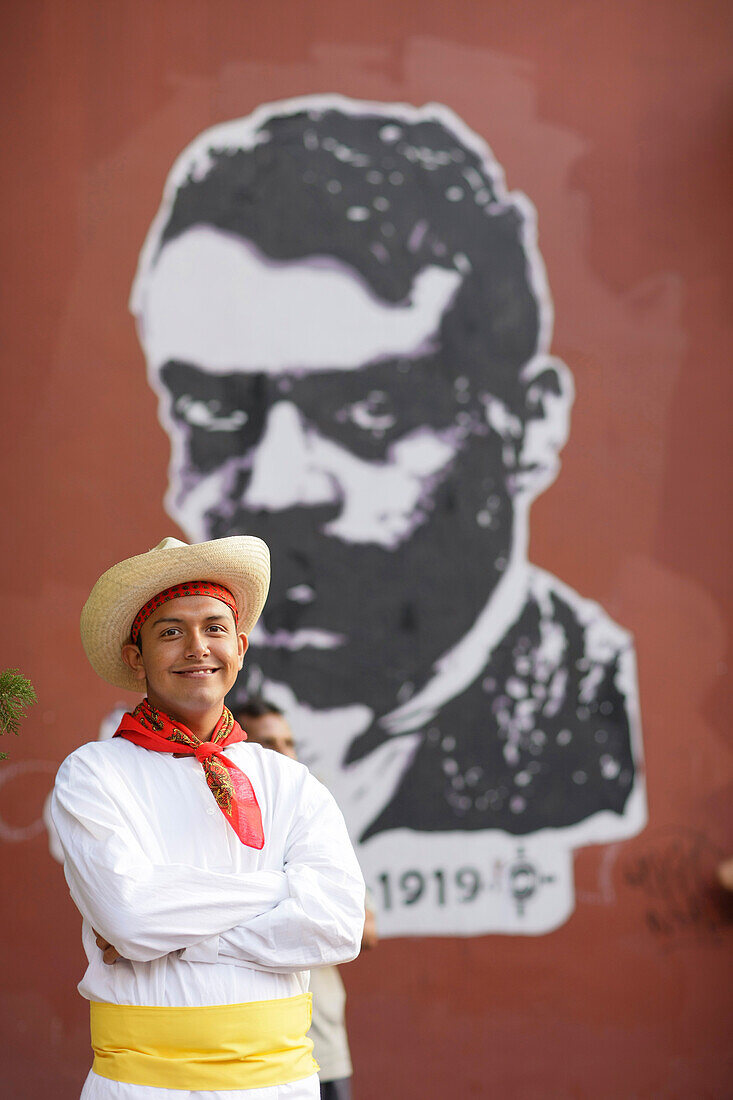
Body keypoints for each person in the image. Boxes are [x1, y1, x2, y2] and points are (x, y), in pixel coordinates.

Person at [130, 95, 644, 852]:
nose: (277, 487)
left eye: (367, 413)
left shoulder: (580, 734)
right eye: (213, 411)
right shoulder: (144, 746)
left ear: (528, 427)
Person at [51, 535, 365, 1099]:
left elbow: (338, 925)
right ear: (135, 656)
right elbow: (130, 916)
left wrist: (184, 939)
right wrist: (280, 890)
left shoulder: (290, 781)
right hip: (142, 1088)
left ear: (240, 647)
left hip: (281, 1087)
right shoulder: (93, 773)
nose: (198, 647)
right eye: (170, 631)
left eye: (215, 629)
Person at [236, 698, 378, 1100]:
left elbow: (360, 929)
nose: (285, 756)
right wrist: (295, 898)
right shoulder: (216, 823)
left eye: (289, 743)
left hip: (321, 1046)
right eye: (268, 744)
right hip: (243, 1048)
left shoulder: (313, 823)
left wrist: (232, 907)